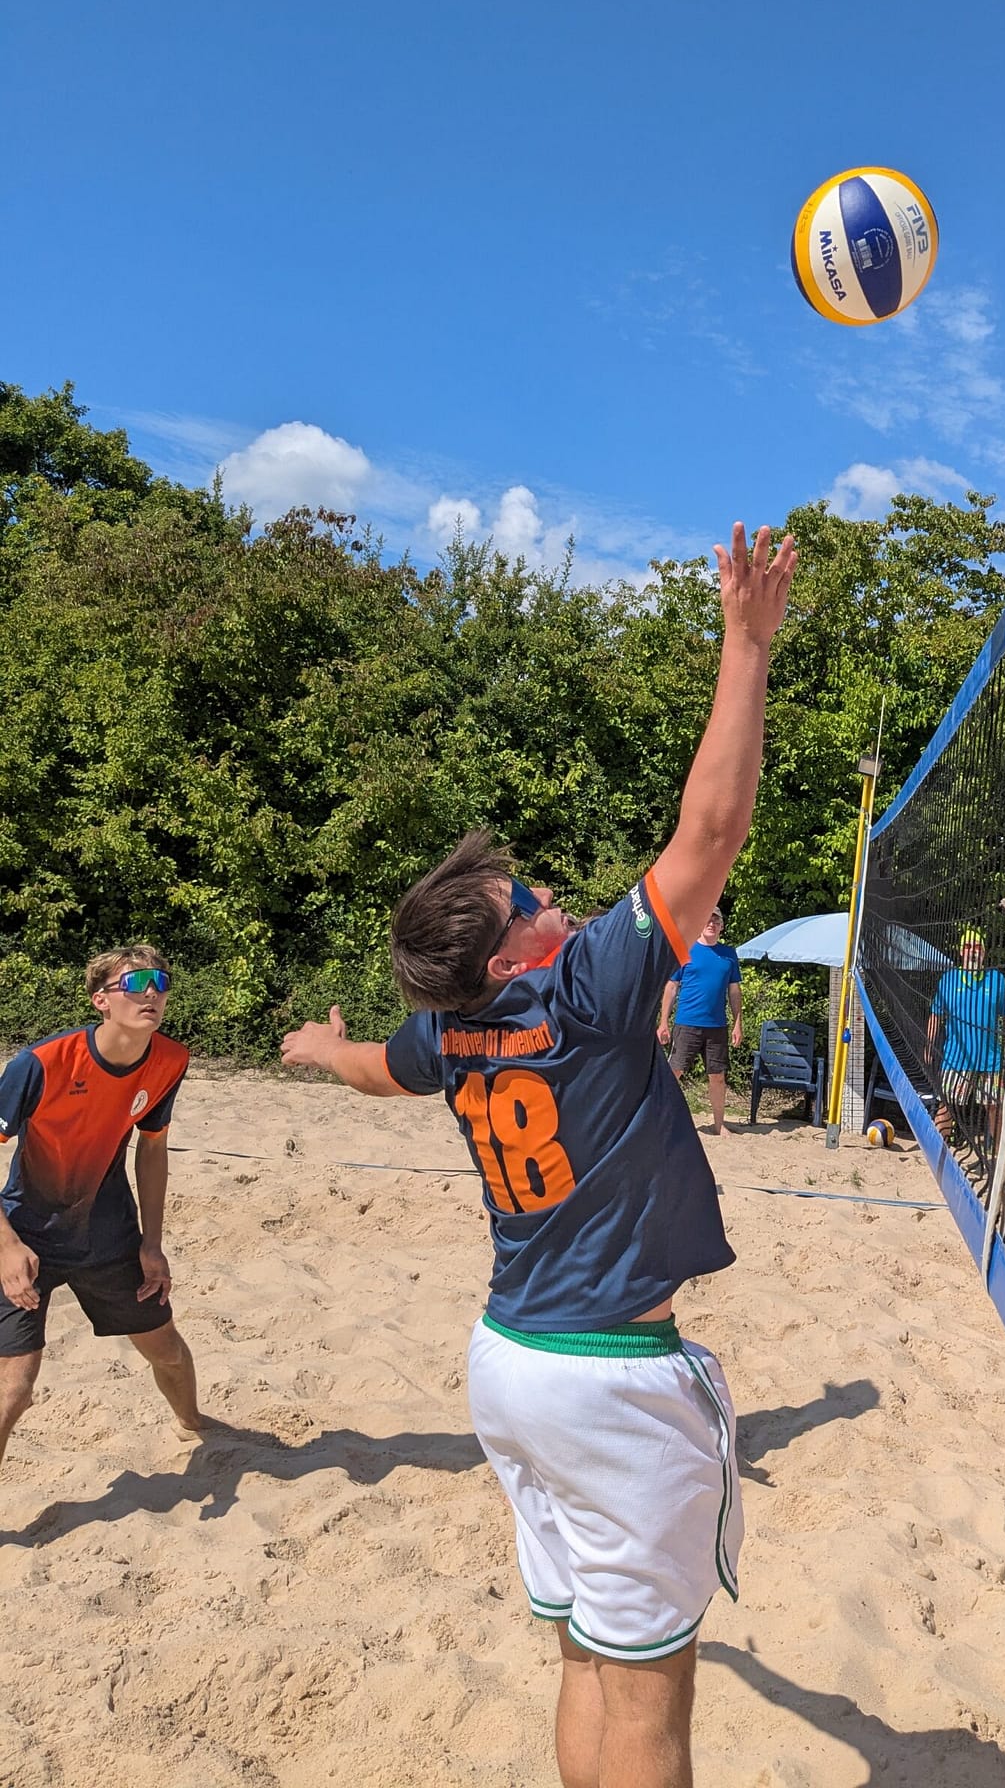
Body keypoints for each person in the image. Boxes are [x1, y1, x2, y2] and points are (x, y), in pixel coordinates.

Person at [280, 522, 797, 1788]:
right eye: (531, 903)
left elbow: (377, 1068)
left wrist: (316, 1049)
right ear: (512, 953)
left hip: (506, 1361)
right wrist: (745, 644)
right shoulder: (583, 996)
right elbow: (711, 828)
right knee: (650, 1694)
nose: (553, 899)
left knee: (582, 1656)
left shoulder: (451, 1030)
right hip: (608, 1380)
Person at [0, 946, 205, 1465]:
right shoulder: (39, 1063)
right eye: (135, 983)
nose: (152, 992)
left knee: (168, 1353)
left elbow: (152, 1149)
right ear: (101, 1000)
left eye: (160, 981)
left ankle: (195, 1428)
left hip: (109, 1238)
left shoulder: (170, 1060)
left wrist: (152, 1244)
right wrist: (6, 1247)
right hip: (27, 1238)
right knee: (13, 1390)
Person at [657, 908, 743, 1136]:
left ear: (722, 926)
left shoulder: (729, 954)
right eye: (707, 919)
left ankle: (719, 1125)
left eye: (716, 920)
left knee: (718, 1076)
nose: (711, 923)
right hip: (687, 1023)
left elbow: (734, 991)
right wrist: (663, 1022)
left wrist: (738, 1023)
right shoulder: (686, 949)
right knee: (674, 1072)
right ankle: (658, 1121)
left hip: (717, 1026)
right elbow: (671, 987)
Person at [926, 928, 1005, 1156]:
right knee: (947, 1106)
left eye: (977, 947)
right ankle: (937, 1152)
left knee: (995, 1108)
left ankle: (998, 1158)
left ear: (984, 952)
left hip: (990, 1061)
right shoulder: (949, 979)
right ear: (961, 952)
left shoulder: (996, 979)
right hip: (956, 1059)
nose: (972, 951)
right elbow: (936, 1015)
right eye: (968, 947)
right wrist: (929, 1044)